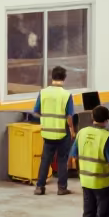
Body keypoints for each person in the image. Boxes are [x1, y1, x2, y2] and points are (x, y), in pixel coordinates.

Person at [33, 66, 75, 195]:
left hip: (47, 132)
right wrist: (72, 130)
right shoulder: (66, 95)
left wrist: (45, 119)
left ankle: (40, 187)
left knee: (45, 160)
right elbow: (69, 116)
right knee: (62, 159)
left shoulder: (43, 92)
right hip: (62, 132)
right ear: (64, 78)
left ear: (52, 77)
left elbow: (35, 112)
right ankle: (62, 188)